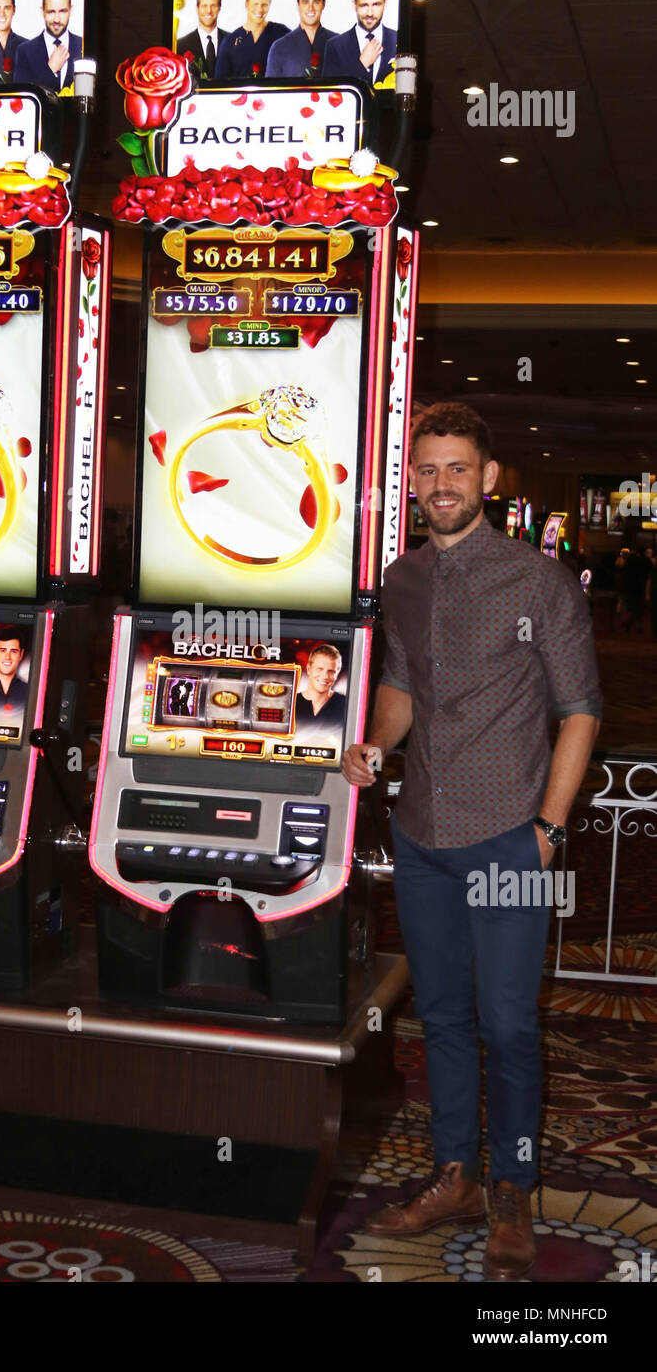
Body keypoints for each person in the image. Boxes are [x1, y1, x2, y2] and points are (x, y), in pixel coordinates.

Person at [342, 402, 601, 1282]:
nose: (441, 485)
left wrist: (547, 830)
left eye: (457, 469)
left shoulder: (539, 584)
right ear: (410, 481)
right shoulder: (402, 579)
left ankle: (512, 1186)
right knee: (443, 1016)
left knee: (507, 1023)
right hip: (420, 838)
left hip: (509, 843)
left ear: (487, 478)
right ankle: (454, 1172)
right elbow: (402, 688)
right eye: (426, 471)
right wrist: (376, 746)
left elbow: (579, 712)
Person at [322, 0, 396, 85]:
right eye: (364, 5)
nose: (370, 13)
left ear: (385, 4)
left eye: (376, 4)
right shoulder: (335, 46)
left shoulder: (398, 40)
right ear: (354, 5)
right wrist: (362, 64)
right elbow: (330, 92)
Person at [14, 0, 82, 91]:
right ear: (43, 12)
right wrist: (51, 70)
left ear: (71, 10)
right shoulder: (25, 51)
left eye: (62, 11)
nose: (56, 19)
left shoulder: (83, 45)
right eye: (51, 12)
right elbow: (23, 98)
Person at [214, 0, 288, 80]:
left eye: (264, 5)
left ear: (269, 5)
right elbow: (219, 82)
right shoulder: (230, 41)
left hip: (272, 94)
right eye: (255, 4)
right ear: (246, 4)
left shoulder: (281, 33)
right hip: (240, 95)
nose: (260, 9)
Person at [266, 0, 334, 78]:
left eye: (316, 2)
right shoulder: (279, 48)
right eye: (305, 2)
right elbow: (271, 92)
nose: (311, 8)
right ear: (298, 5)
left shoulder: (338, 45)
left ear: (323, 4)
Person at [176, 0, 228, 80]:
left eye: (213, 6)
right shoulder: (180, 46)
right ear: (197, 9)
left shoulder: (232, 41)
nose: (209, 11)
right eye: (204, 6)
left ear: (219, 8)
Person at [294, 644, 346, 731]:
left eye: (331, 671)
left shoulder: (345, 705)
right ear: (308, 669)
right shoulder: (291, 704)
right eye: (320, 669)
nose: (325, 676)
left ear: (337, 674)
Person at [0, 629, 29, 718]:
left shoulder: (30, 692)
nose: (7, 657)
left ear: (21, 654)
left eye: (13, 651)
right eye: (3, 650)